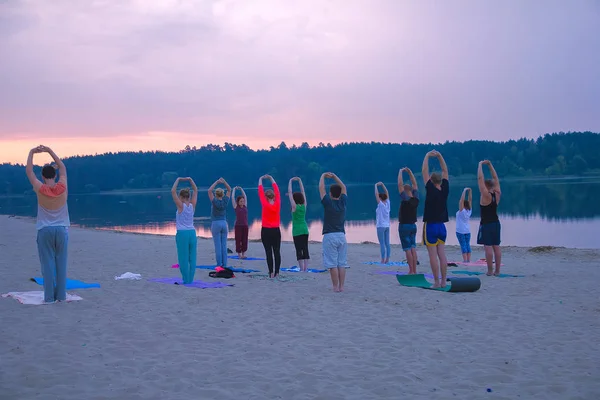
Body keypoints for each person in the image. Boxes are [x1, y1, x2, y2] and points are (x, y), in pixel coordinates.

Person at [26, 145, 71, 303]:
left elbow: (29, 172)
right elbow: (63, 167)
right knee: (61, 264)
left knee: (47, 265)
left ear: (43, 176)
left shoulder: (40, 188)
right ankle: (61, 296)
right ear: (55, 175)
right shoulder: (63, 186)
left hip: (45, 231)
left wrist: (32, 152)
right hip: (61, 230)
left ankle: (49, 298)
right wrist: (49, 151)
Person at [421, 150, 450, 288]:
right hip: (442, 227)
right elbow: (445, 170)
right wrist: (439, 156)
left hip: (431, 226)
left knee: (433, 255)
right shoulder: (444, 190)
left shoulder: (431, 189)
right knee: (442, 254)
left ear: (431, 181)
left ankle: (437, 282)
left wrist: (427, 156)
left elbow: (424, 171)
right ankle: (444, 281)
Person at [319, 172, 349, 292]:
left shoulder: (328, 203)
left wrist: (323, 176)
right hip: (341, 236)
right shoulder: (343, 202)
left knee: (332, 264)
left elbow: (321, 188)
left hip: (330, 236)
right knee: (342, 263)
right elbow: (344, 188)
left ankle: (335, 287)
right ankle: (341, 286)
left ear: (330, 194)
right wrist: (335, 177)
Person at [171, 177, 198, 284]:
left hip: (182, 234)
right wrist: (191, 180)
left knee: (183, 257)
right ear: (189, 196)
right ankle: (190, 279)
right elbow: (196, 190)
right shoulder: (192, 205)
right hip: (192, 232)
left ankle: (186, 279)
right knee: (192, 257)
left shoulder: (180, 206)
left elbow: (172, 191)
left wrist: (177, 179)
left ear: (181, 197)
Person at [477, 160, 502, 276]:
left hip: (487, 224)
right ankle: (497, 271)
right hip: (496, 223)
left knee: (488, 248)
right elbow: (496, 178)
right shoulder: (497, 194)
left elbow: (480, 179)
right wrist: (490, 165)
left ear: (486, 187)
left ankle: (490, 271)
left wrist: (480, 165)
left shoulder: (485, 196)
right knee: (496, 246)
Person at [258, 174, 281, 278]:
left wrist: (260, 179)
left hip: (266, 230)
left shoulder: (265, 203)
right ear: (274, 196)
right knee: (276, 251)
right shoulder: (277, 203)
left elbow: (260, 191)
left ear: (266, 197)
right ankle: (277, 272)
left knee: (268, 252)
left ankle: (271, 272)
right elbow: (277, 190)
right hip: (276, 230)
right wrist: (271, 178)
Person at [398, 167, 420, 275]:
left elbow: (399, 185)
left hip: (404, 227)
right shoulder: (415, 199)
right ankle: (414, 270)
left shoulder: (405, 199)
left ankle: (411, 271)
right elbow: (415, 185)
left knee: (407, 249)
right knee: (413, 248)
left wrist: (400, 172)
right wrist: (410, 172)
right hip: (413, 226)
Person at [208, 178, 231, 268]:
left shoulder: (214, 201)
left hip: (216, 223)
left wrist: (216, 182)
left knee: (218, 246)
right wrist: (224, 182)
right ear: (223, 194)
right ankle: (224, 264)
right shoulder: (225, 200)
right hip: (224, 223)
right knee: (224, 245)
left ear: (215, 194)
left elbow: (209, 190)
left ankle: (219, 264)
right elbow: (229, 189)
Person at [288, 177, 310, 271]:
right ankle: (306, 268)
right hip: (305, 229)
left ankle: (301, 269)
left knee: (299, 249)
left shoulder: (294, 207)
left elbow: (289, 193)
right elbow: (303, 191)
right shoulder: (304, 205)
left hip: (297, 231)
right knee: (305, 248)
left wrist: (290, 181)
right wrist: (300, 181)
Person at [374, 182, 391, 264]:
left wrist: (376, 186)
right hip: (387, 226)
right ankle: (387, 259)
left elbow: (376, 194)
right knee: (387, 243)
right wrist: (383, 185)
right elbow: (387, 193)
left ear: (380, 198)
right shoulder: (388, 203)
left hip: (380, 226)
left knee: (382, 243)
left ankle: (382, 259)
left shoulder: (380, 204)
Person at [456, 187, 473, 262]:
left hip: (460, 231)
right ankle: (468, 260)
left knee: (463, 245)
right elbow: (470, 200)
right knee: (467, 245)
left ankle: (465, 260)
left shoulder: (461, 211)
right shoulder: (469, 211)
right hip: (467, 231)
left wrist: (464, 191)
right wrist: (470, 192)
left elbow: (461, 201)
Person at [231, 186, 248, 259]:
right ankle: (239, 254)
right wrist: (234, 189)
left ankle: (243, 254)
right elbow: (232, 198)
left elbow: (245, 196)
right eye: (241, 201)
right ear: (238, 202)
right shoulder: (236, 207)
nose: (242, 202)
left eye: (243, 201)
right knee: (238, 240)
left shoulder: (245, 206)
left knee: (244, 240)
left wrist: (241, 189)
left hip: (245, 225)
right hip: (238, 226)